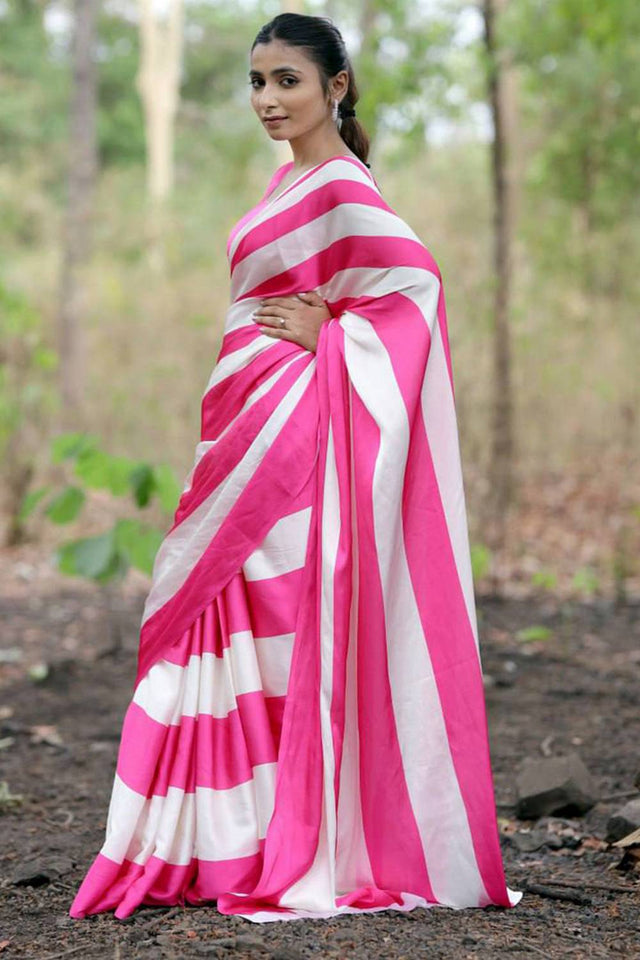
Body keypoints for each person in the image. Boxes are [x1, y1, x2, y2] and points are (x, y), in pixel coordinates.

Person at [69, 12, 523, 923]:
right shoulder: (291, 182)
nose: (267, 99)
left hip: (296, 436)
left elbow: (416, 294)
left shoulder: (346, 188)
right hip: (242, 427)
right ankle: (217, 839)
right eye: (257, 81)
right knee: (227, 624)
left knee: (275, 621)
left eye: (287, 81)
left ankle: (285, 834)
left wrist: (336, 331)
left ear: (335, 87)